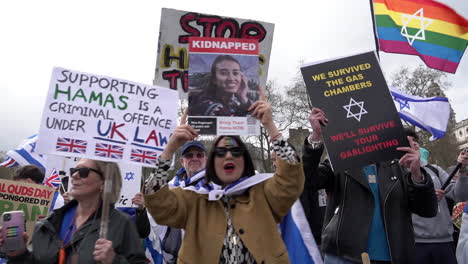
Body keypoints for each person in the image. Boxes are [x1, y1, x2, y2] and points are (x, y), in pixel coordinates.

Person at [144, 100, 304, 263]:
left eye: (236, 151)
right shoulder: (192, 199)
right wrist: (170, 148)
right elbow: (157, 201)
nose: (228, 155)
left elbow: (290, 179)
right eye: (221, 152)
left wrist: (270, 126)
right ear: (212, 162)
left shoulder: (263, 194)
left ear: (245, 160)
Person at [303, 108, 437, 264]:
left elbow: (427, 210)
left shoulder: (398, 164)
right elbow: (308, 180)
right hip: (344, 256)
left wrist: (416, 173)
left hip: (392, 257)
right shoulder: (339, 161)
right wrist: (316, 137)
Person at [0, 159, 147, 264]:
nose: (74, 175)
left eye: (83, 172)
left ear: (104, 182)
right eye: (73, 170)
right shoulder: (48, 223)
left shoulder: (121, 224)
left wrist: (113, 260)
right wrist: (18, 254)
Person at [406, 129, 468, 264]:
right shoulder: (396, 173)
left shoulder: (435, 169)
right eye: (409, 142)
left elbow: (461, 196)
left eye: (415, 141)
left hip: (445, 241)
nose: (415, 144)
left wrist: (462, 171)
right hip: (415, 244)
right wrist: (426, 196)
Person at [189, 55, 256, 117]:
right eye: (224, 73)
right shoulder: (210, 106)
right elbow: (242, 125)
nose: (231, 78)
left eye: (235, 73)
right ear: (214, 79)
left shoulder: (232, 103)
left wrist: (243, 98)